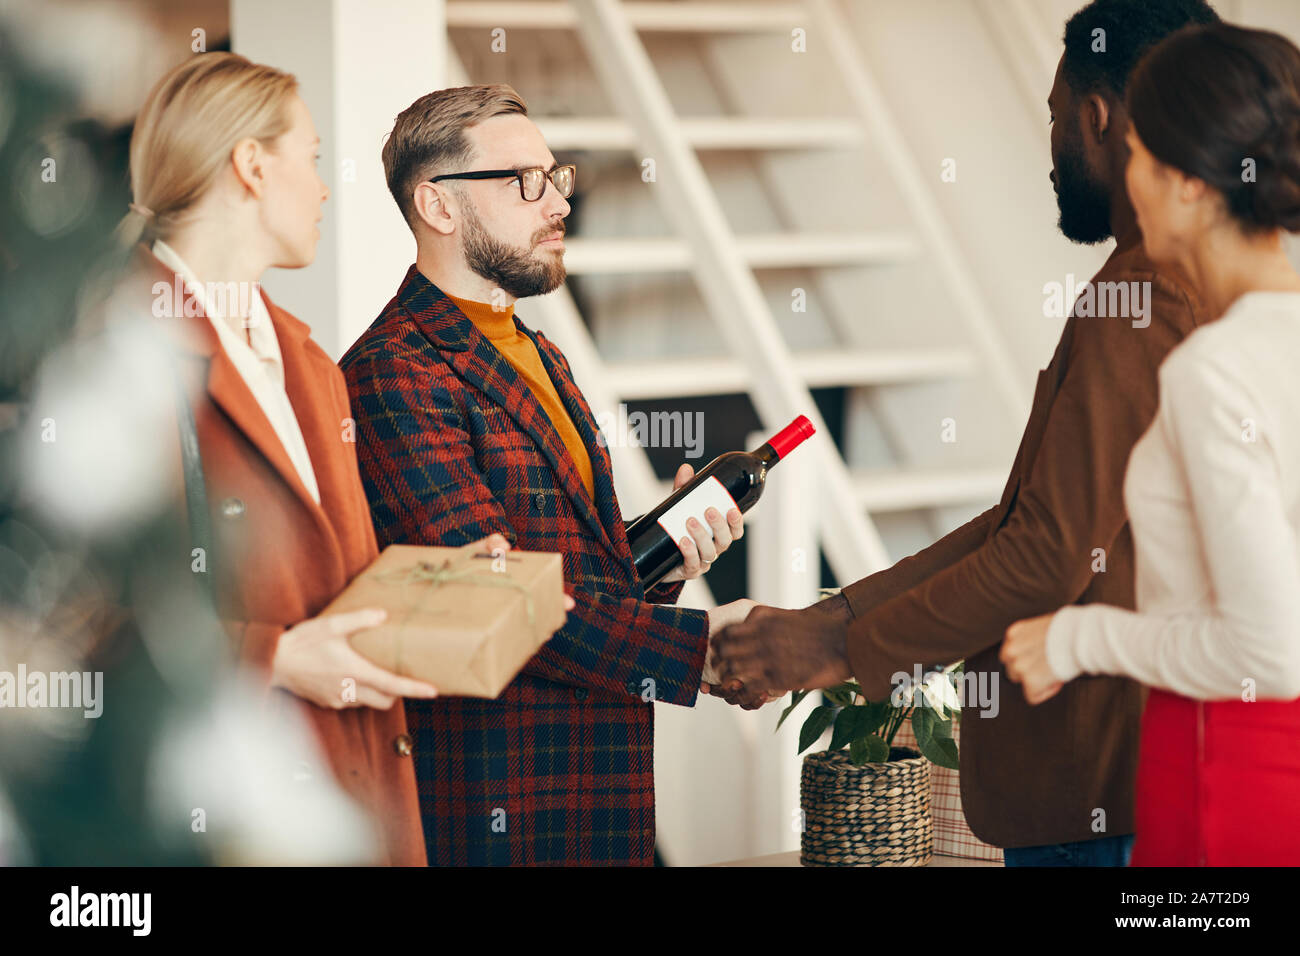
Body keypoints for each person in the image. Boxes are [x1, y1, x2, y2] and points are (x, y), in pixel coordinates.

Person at [710, 0, 1220, 866]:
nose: (1052, 150)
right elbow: (1023, 524)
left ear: (1098, 118)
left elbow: (1044, 554)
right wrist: (835, 618)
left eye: (1056, 119)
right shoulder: (1194, 284)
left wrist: (834, 646)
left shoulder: (1140, 299)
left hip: (1113, 796)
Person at [113, 52, 515, 865]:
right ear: (252, 166)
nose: (327, 188)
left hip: (347, 797)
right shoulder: (119, 353)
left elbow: (327, 584)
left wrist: (427, 586)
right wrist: (277, 659)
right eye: (315, 159)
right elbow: (74, 618)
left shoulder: (310, 363)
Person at [340, 84, 756, 866]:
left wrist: (665, 560)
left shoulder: (542, 352)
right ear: (438, 206)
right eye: (523, 181)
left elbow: (569, 573)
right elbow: (487, 600)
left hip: (599, 791)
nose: (557, 201)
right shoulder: (392, 373)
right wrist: (697, 649)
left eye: (556, 176)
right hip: (500, 799)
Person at [1002, 22, 1300, 867]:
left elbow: (1268, 652)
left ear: (1189, 185)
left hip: (1225, 779)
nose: (1126, 179)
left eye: (1140, 154)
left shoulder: (1216, 370)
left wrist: (1075, 640)